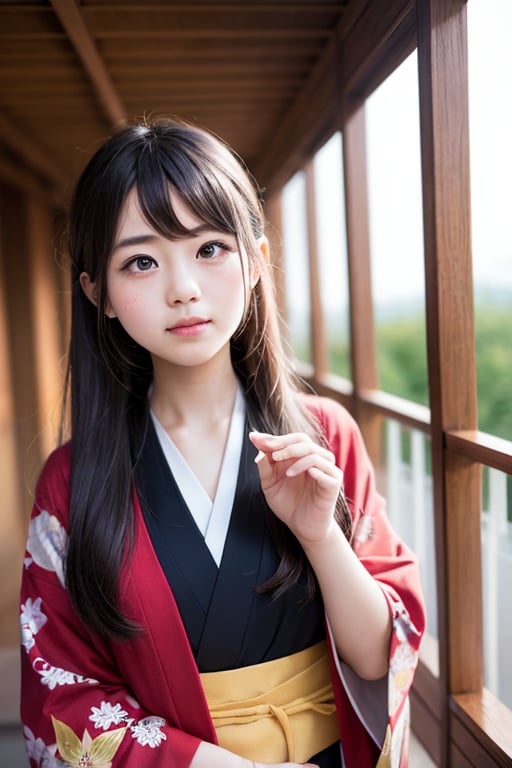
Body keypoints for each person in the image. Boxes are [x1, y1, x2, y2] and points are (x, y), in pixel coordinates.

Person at [19, 118, 425, 768]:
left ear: (257, 261)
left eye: (209, 248)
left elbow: (379, 655)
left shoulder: (325, 437)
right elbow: (65, 695)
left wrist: (320, 535)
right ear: (99, 294)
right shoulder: (70, 482)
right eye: (142, 261)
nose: (183, 287)